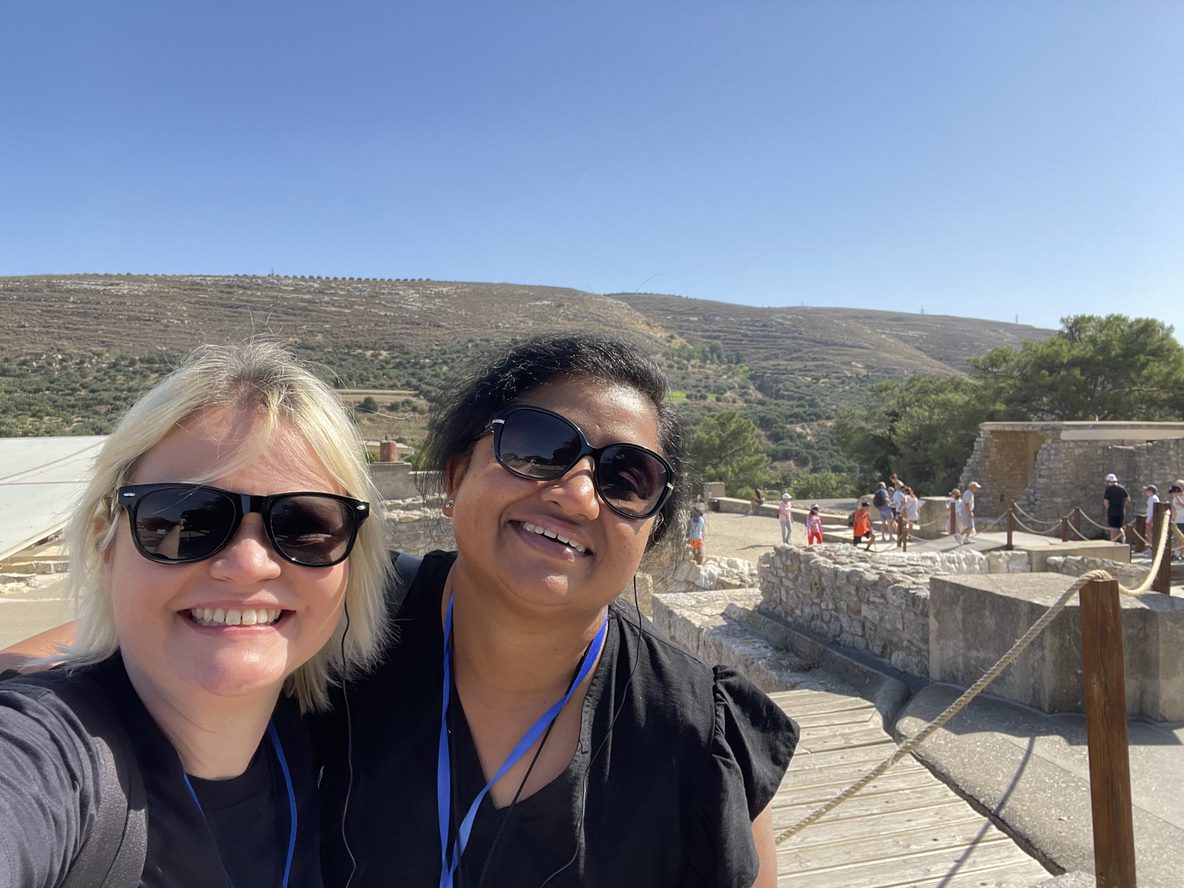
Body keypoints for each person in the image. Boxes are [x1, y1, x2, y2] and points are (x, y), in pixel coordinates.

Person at [313, 333, 798, 888]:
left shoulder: (700, 737)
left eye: (626, 478)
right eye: (536, 447)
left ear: (649, 532)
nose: (577, 495)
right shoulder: (333, 635)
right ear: (455, 477)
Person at [0, 341, 393, 886]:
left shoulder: (322, 751)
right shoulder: (44, 757)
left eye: (304, 525)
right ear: (105, 547)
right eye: (186, 519)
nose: (249, 565)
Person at [1103, 473, 1129, 543]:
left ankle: (1112, 543)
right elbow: (1128, 499)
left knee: (1113, 529)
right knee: (1119, 527)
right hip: (1121, 512)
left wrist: (1109, 509)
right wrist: (1122, 506)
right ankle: (1123, 538)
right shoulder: (1122, 488)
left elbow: (1106, 501)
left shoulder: (1108, 490)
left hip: (1112, 512)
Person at [1171, 481, 1184, 559]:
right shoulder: (1174, 497)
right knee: (1179, 537)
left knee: (1181, 537)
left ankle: (1177, 554)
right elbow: (1174, 508)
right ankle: (1180, 554)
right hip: (1178, 520)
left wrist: (1178, 498)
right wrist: (1172, 518)